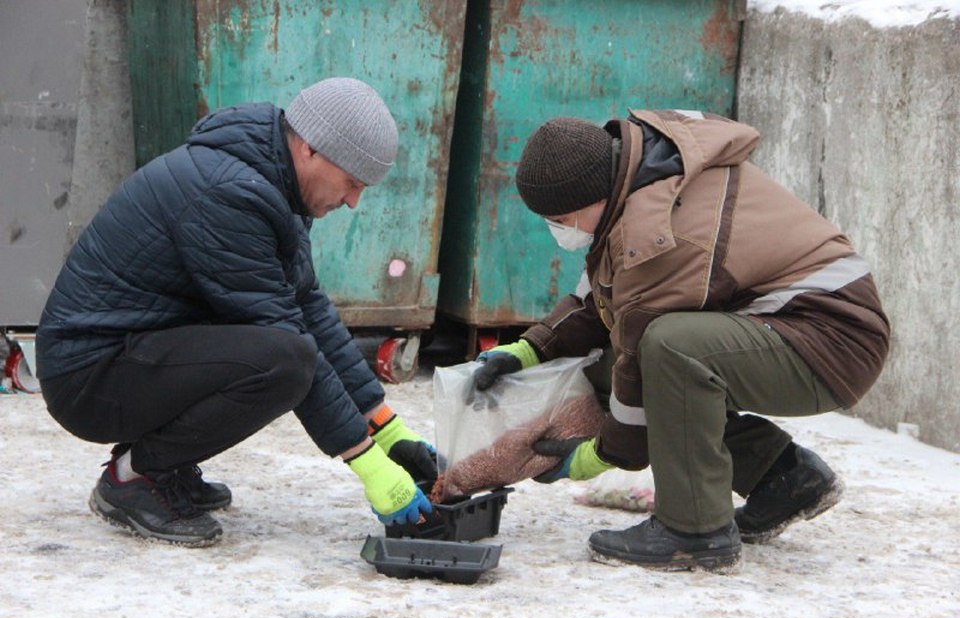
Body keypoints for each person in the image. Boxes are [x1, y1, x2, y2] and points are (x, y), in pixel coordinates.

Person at [473, 109, 889, 572]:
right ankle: (783, 477)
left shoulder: (655, 231)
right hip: (795, 326)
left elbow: (636, 364)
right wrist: (531, 348)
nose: (559, 230)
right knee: (621, 362)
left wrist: (597, 455)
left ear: (594, 195)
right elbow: (603, 300)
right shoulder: (642, 185)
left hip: (833, 342)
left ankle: (695, 531)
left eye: (561, 219)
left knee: (670, 349)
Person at [36, 78, 437, 547]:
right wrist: (369, 464)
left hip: (132, 355)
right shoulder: (229, 193)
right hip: (89, 378)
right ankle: (134, 478)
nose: (353, 201)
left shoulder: (272, 183)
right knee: (283, 362)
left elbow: (307, 305)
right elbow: (288, 337)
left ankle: (166, 465)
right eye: (351, 182)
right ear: (309, 148)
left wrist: (388, 430)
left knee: (288, 350)